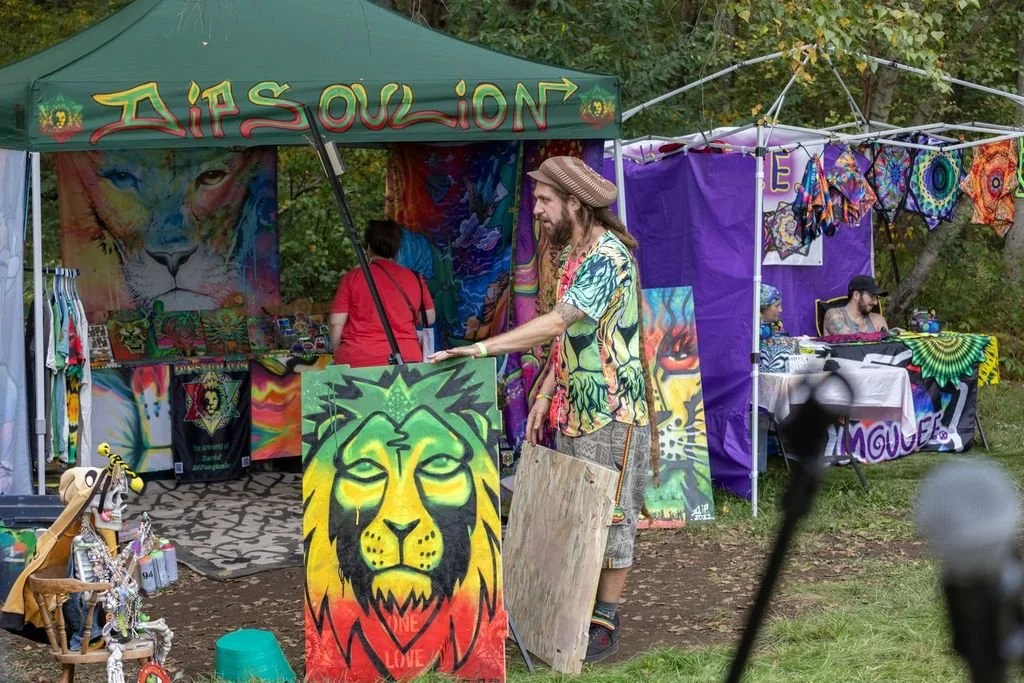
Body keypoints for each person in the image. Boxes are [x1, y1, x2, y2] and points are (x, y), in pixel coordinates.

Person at [428, 156, 659, 663]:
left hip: (613, 413)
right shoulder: (576, 255)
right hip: (578, 409)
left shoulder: (606, 256)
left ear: (575, 203)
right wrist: (546, 392)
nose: (536, 210)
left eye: (544, 200)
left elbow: (557, 322)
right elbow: (572, 338)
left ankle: (606, 620)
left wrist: (483, 349)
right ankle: (572, 613)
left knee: (611, 517)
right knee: (581, 512)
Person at [330, 219, 435, 368]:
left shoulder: (352, 278)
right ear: (397, 247)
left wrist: (337, 352)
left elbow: (336, 323)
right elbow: (429, 318)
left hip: (357, 359)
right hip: (406, 358)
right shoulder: (415, 278)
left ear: (369, 247)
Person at [822, 275, 889, 336]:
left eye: (876, 297)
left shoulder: (878, 319)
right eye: (872, 296)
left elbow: (887, 346)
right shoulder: (833, 314)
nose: (876, 303)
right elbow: (848, 342)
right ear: (856, 295)